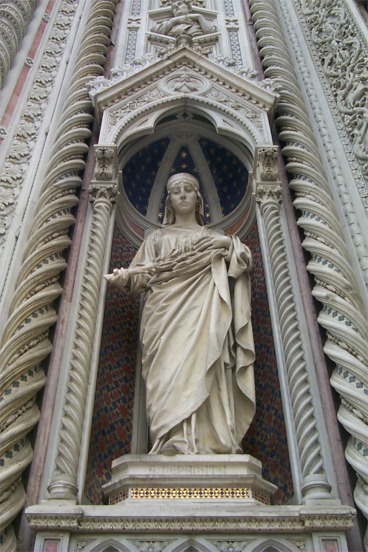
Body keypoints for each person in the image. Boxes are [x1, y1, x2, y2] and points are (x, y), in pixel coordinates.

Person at [105, 173, 255, 455]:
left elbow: (242, 260)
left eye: (188, 190)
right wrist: (125, 278)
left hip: (204, 312)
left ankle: (209, 441)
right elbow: (141, 276)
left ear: (198, 198)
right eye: (177, 191)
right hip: (164, 317)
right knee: (167, 372)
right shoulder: (157, 239)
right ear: (169, 201)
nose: (183, 195)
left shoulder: (212, 238)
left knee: (205, 364)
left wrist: (227, 246)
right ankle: (170, 439)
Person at [152, 0, 216, 38]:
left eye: (179, 4)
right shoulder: (170, 25)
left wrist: (199, 17)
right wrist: (174, 21)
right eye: (174, 7)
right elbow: (155, 31)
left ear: (189, 8)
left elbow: (211, 32)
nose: (176, 6)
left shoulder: (198, 23)